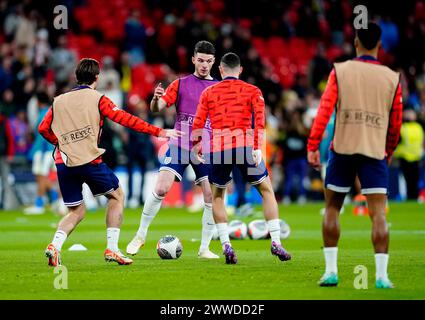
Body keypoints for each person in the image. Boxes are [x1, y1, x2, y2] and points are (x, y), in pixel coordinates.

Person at [38, 58, 182, 267]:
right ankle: (112, 249)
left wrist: (61, 144)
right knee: (116, 195)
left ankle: (54, 246)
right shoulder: (98, 99)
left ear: (76, 77)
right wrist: (159, 131)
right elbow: (126, 119)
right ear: (97, 78)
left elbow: (43, 128)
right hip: (88, 159)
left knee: (76, 211)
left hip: (64, 162)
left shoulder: (58, 101)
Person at [307, 23, 403, 288]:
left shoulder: (340, 70)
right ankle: (382, 277)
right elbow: (395, 123)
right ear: (379, 46)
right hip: (374, 150)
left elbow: (324, 110)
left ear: (356, 43)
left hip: (343, 148)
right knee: (378, 214)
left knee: (332, 208)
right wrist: (389, 151)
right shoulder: (392, 78)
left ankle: (330, 272)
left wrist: (313, 145)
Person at [192, 52, 291, 264]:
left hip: (219, 149)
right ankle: (276, 242)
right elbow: (260, 121)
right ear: (240, 70)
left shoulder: (209, 92)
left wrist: (197, 146)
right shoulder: (253, 91)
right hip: (245, 146)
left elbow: (198, 123)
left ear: (220, 69)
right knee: (266, 191)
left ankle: (226, 244)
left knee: (218, 195)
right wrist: (258, 148)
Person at [126, 41, 219, 259]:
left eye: (208, 61)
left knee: (209, 196)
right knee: (160, 188)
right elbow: (157, 107)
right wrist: (156, 99)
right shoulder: (180, 84)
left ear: (213, 62)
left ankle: (205, 248)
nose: (204, 65)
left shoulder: (218, 88)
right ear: (193, 59)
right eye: (201, 60)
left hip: (204, 147)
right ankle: (140, 235)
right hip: (179, 144)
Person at [24, 91, 66, 215]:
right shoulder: (52, 112)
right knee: (53, 177)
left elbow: (43, 134)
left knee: (40, 176)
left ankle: (40, 204)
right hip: (53, 149)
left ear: (37, 102)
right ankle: (59, 202)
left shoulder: (43, 114)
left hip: (44, 151)